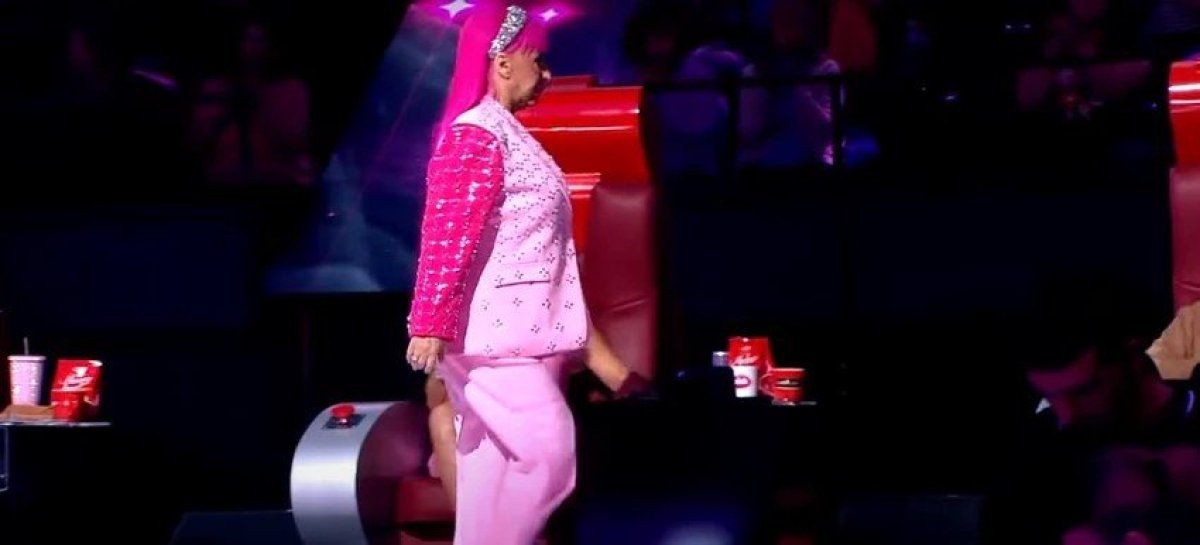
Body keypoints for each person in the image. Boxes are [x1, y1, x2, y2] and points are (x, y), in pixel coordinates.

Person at [405, 5, 604, 543]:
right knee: (549, 453)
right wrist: (430, 321)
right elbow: (448, 230)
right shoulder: (476, 133)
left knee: (491, 468)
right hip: (493, 338)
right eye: (539, 61)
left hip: (514, 334)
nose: (548, 75)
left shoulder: (503, 132)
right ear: (503, 61)